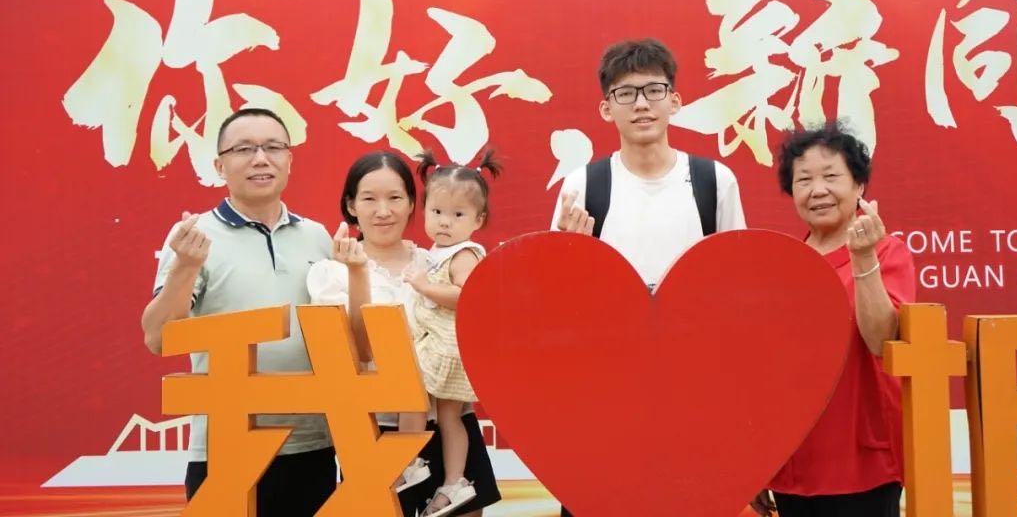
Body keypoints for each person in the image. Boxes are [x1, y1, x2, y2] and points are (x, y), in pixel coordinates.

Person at [140, 107, 370, 517]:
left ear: (289, 161)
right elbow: (158, 337)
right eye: (244, 149)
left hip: (312, 443)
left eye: (273, 147)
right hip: (227, 444)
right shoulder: (194, 237)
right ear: (219, 166)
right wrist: (186, 267)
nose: (260, 159)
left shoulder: (316, 236)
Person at [550, 38, 747, 515]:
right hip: (606, 389)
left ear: (674, 101)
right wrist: (572, 257)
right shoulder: (583, 185)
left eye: (654, 90)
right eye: (626, 93)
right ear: (606, 108)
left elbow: (735, 286)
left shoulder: (714, 180)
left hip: (693, 388)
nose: (641, 104)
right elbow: (558, 300)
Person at [307, 150, 501, 517]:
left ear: (413, 204)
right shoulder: (331, 272)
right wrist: (357, 273)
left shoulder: (438, 261)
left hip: (448, 423)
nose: (383, 210)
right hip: (377, 431)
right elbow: (356, 350)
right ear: (350, 206)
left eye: (395, 197)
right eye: (369, 199)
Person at [752, 121, 916, 517]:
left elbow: (881, 340)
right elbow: (767, 373)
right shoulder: (784, 266)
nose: (818, 190)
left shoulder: (887, 252)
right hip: (794, 459)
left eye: (831, 176)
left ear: (859, 186)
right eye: (804, 180)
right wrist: (758, 460)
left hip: (864, 460)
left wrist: (863, 258)